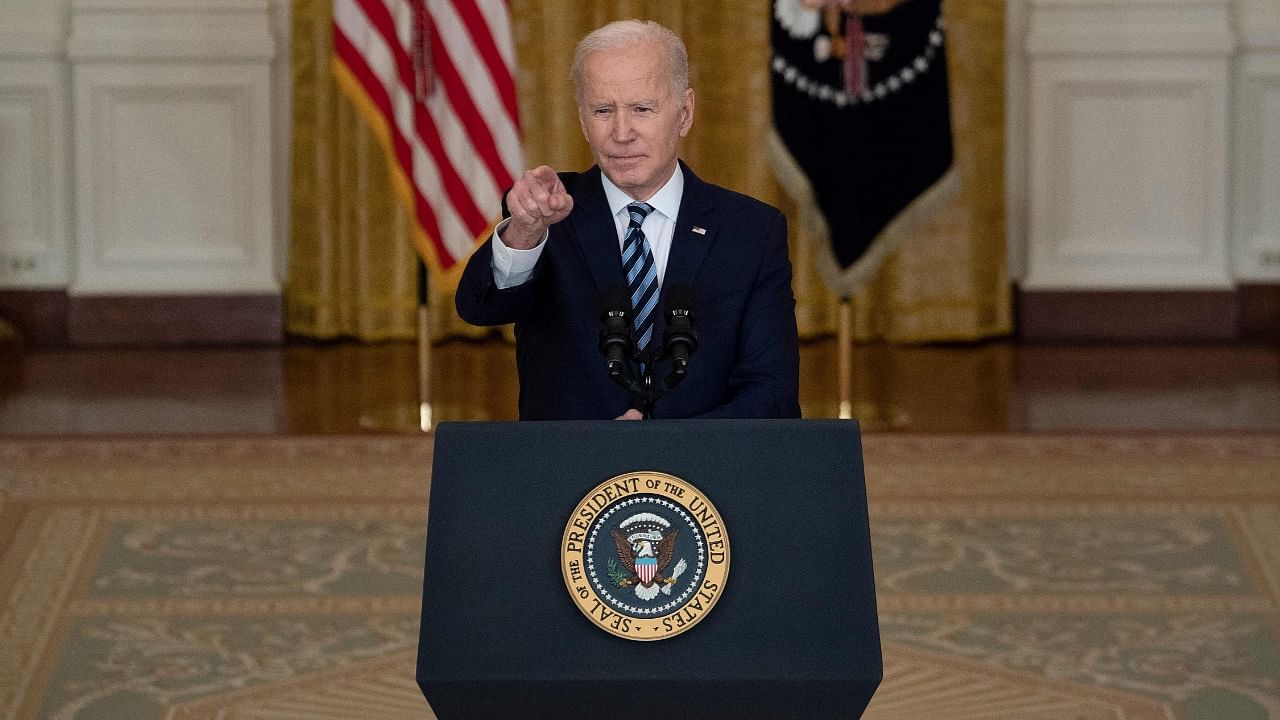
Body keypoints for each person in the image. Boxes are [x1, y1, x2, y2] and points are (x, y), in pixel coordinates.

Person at [455, 19, 800, 420]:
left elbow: (773, 392)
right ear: (583, 120)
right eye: (603, 110)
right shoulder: (548, 216)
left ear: (684, 112)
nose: (622, 132)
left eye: (642, 108)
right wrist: (524, 233)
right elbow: (480, 309)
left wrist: (663, 448)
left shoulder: (752, 232)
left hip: (703, 476)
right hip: (571, 472)